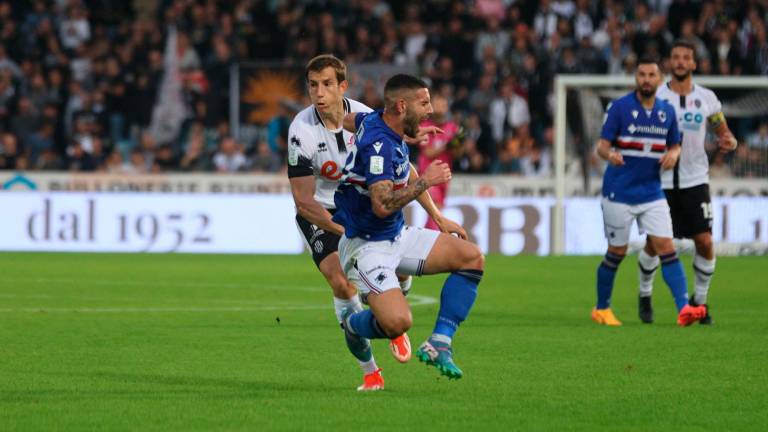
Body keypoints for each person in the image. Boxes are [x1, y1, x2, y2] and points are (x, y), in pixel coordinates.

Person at [334, 74, 485, 381]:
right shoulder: (380, 147)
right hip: (366, 247)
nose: (430, 110)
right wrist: (426, 181)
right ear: (402, 106)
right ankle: (352, 324)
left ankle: (439, 343)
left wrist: (438, 217)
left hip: (396, 235)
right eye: (424, 102)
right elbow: (382, 203)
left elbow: (349, 120)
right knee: (398, 323)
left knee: (471, 257)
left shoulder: (376, 121)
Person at [286, 55, 411, 392]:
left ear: (343, 86)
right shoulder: (300, 131)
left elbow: (401, 165)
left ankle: (393, 313)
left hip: (357, 207)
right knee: (342, 284)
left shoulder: (368, 119)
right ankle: (370, 370)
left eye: (327, 84)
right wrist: (343, 232)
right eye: (313, 85)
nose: (319, 92)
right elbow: (303, 201)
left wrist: (437, 214)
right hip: (321, 213)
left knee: (389, 280)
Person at [592, 57, 707, 327]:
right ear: (636, 78)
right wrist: (610, 155)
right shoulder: (620, 108)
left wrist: (674, 154)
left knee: (667, 247)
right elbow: (601, 146)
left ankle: (683, 308)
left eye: (651, 75)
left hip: (652, 193)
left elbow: (675, 144)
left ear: (659, 79)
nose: (646, 79)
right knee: (616, 252)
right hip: (618, 193)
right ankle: (602, 308)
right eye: (641, 74)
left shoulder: (667, 112)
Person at [637, 40, 738, 324]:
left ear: (693, 64)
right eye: (676, 57)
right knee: (655, 244)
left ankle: (701, 302)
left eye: (686, 58)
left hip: (695, 180)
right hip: (660, 181)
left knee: (705, 241)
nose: (680, 62)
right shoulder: (654, 97)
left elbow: (722, 129)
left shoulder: (707, 98)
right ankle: (644, 295)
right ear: (670, 63)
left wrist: (728, 139)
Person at [417, 93, 461, 230]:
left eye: (443, 105)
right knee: (434, 208)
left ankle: (424, 238)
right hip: (428, 175)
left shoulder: (453, 128)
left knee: (436, 211)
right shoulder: (424, 127)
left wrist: (459, 143)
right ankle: (434, 241)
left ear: (447, 107)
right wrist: (447, 145)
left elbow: (457, 154)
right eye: (437, 105)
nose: (440, 108)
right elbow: (428, 152)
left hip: (445, 174)